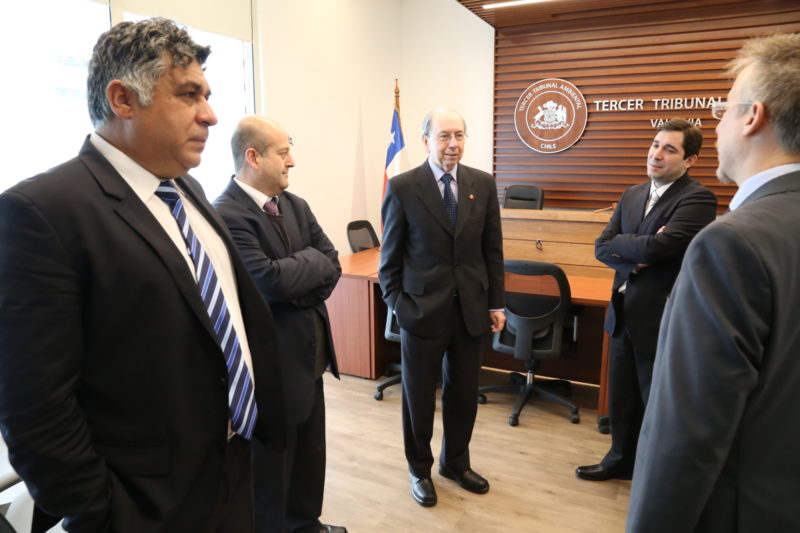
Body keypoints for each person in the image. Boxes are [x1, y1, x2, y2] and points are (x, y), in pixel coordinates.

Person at [0, 18, 286, 532]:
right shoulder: (41, 212)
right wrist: (101, 512)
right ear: (123, 100)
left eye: (207, 95)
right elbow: (34, 405)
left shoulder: (186, 188)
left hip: (232, 468)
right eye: (189, 95)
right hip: (145, 504)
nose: (210, 115)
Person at [627, 33, 800, 532]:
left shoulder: (732, 242)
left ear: (752, 117)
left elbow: (687, 433)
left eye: (723, 111)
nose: (718, 126)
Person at [214, 117, 346, 533]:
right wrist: (305, 271)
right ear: (253, 157)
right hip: (272, 366)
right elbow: (268, 282)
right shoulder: (225, 214)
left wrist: (296, 281)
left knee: (309, 455)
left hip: (311, 358)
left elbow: (333, 262)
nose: (292, 161)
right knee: (273, 468)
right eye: (283, 152)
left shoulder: (295, 205)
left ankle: (305, 523)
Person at [576, 119, 717, 482]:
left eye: (669, 149)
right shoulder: (632, 194)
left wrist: (630, 244)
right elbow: (602, 247)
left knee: (657, 400)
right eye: (655, 144)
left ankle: (655, 474)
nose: (656, 154)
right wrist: (638, 253)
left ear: (690, 160)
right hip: (623, 311)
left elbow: (661, 248)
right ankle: (619, 461)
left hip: (660, 317)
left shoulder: (697, 198)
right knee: (622, 397)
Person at [378, 108, 505, 507]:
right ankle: (419, 469)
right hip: (421, 311)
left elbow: (492, 251)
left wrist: (496, 302)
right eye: (444, 136)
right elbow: (389, 261)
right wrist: (399, 306)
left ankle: (455, 463)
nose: (453, 144)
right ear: (425, 141)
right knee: (418, 399)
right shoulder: (402, 187)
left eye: (459, 135)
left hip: (471, 310)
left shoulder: (482, 184)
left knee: (464, 394)